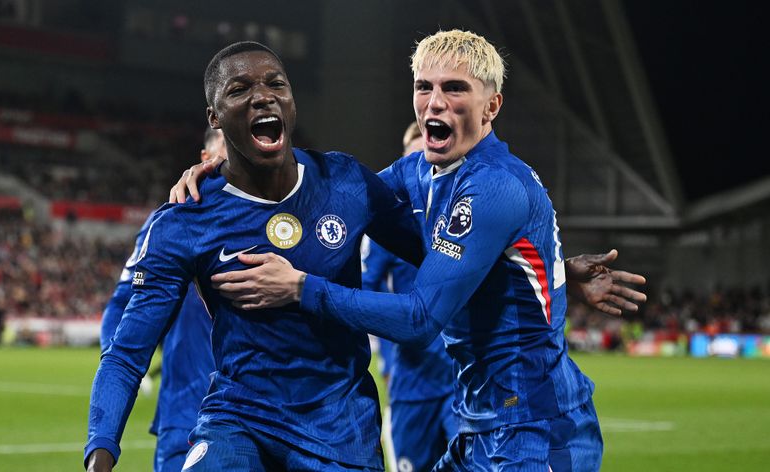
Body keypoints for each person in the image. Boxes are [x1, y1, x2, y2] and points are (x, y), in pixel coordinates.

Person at [206, 30, 647, 470]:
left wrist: (301, 287)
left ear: (491, 106)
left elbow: (419, 320)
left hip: (537, 431)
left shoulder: (494, 186)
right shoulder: (419, 171)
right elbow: (324, 193)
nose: (434, 102)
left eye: (455, 88)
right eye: (424, 87)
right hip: (481, 425)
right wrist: (225, 174)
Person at [85, 41, 426, 472]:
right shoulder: (184, 220)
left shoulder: (345, 182)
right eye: (239, 89)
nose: (263, 95)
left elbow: (433, 257)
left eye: (275, 84)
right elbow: (126, 352)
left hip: (339, 426)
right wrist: (101, 450)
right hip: (239, 419)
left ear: (291, 100)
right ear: (215, 117)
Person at [96, 126, 224, 472]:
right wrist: (121, 372)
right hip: (184, 417)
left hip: (266, 415)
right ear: (206, 158)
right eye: (230, 144)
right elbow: (120, 308)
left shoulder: (281, 220)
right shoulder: (170, 224)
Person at [363, 122, 457, 472]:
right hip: (412, 381)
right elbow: (366, 290)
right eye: (412, 159)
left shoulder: (459, 220)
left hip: (459, 378)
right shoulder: (389, 228)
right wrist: (386, 356)